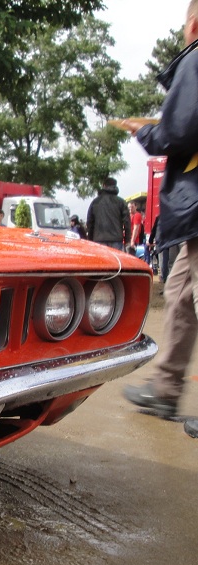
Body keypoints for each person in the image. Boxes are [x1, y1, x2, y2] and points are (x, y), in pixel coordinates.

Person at [120, 0, 198, 439]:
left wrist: (146, 132)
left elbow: (179, 129)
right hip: (193, 211)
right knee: (180, 291)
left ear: (193, 24)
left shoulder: (196, 57)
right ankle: (166, 388)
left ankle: (167, 388)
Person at [85, 177, 129, 250]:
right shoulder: (121, 202)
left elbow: (90, 222)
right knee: (115, 257)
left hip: (99, 239)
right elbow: (126, 222)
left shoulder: (95, 202)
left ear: (104, 186)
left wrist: (90, 239)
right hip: (116, 239)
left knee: (101, 258)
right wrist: (127, 240)